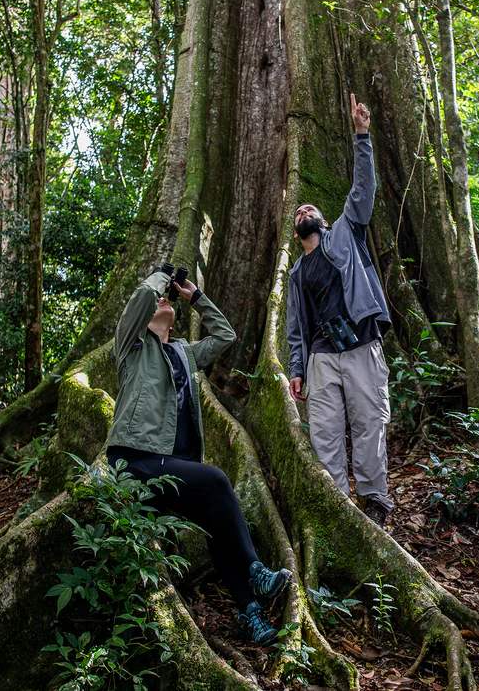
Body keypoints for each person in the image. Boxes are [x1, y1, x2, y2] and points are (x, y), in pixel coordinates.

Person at [106, 266, 293, 645]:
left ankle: (248, 613)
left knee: (214, 521)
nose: (163, 299)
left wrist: (195, 297)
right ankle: (255, 570)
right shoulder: (131, 347)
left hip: (174, 467)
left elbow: (225, 336)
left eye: (167, 300)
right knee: (218, 479)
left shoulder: (184, 353)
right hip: (135, 459)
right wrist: (161, 276)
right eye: (161, 298)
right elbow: (142, 298)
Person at [286, 94, 395, 527]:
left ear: (325, 222)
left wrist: (361, 135)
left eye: (311, 208)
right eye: (299, 211)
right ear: (297, 233)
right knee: (325, 434)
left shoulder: (346, 232)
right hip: (321, 356)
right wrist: (297, 367)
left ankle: (374, 500)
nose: (305, 210)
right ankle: (337, 509)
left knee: (370, 423)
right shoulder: (296, 274)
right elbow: (296, 328)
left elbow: (363, 190)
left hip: (362, 342)